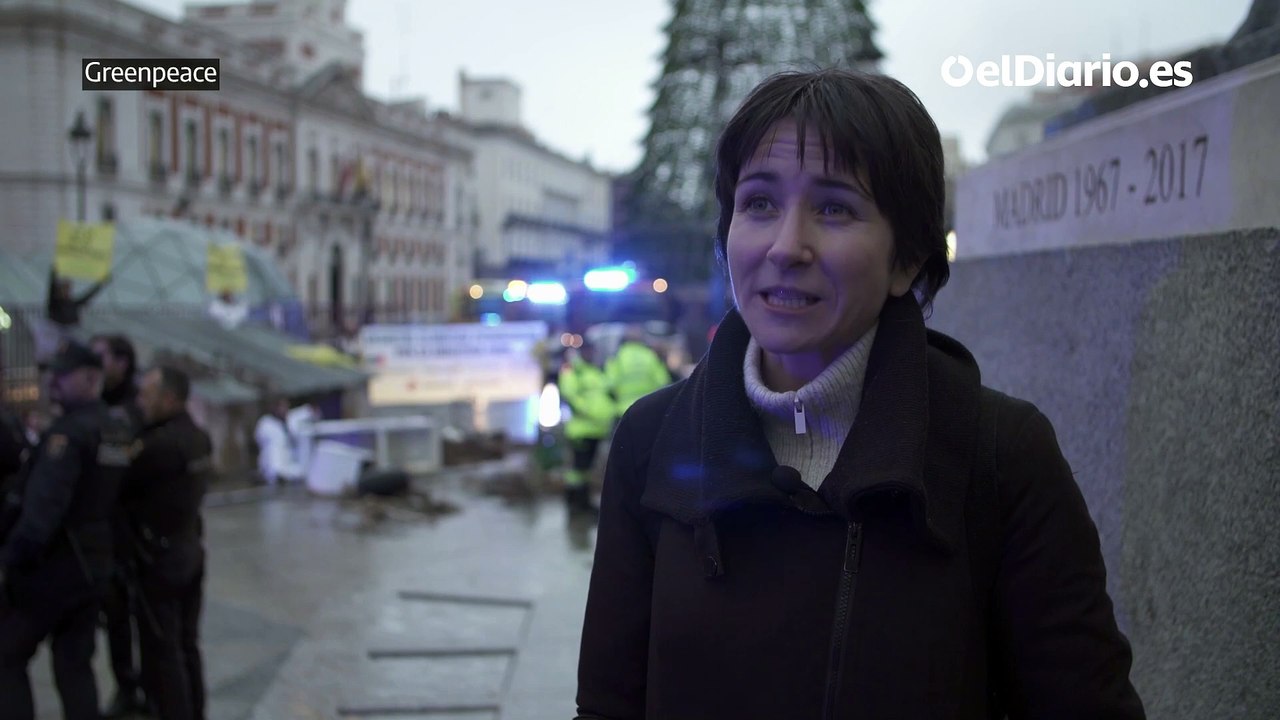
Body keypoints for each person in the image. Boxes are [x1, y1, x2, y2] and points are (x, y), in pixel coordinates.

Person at [575, 69, 1146, 719]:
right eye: (759, 203)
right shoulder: (651, 439)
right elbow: (607, 706)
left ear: (907, 259)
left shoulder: (1001, 455)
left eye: (834, 208)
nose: (788, 246)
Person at [0, 342, 133, 720]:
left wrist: (12, 560)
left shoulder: (68, 436)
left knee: (7, 657)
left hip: (54, 567)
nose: (51, 382)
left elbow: (42, 513)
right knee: (75, 666)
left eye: (62, 376)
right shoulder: (117, 429)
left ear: (91, 379)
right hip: (94, 566)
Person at [124, 365, 212, 720]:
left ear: (170, 399)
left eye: (147, 395)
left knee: (164, 648)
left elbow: (122, 488)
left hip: (162, 557)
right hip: (189, 548)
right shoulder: (198, 437)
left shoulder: (156, 445)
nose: (140, 402)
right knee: (186, 644)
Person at [90, 334, 150, 718]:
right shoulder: (104, 405)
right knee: (116, 617)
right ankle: (128, 684)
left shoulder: (130, 410)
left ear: (122, 363)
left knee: (137, 614)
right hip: (110, 532)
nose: (95, 367)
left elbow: (116, 466)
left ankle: (142, 688)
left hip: (132, 531)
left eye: (101, 359)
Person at [556, 344, 615, 517]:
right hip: (581, 429)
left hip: (596, 429)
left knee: (586, 469)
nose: (592, 354)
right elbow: (570, 395)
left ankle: (580, 502)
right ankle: (577, 502)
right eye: (589, 352)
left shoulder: (596, 371)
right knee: (579, 469)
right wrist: (587, 411)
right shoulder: (575, 372)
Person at [602, 329, 671, 416]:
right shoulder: (649, 355)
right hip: (648, 407)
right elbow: (663, 381)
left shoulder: (618, 356)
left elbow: (610, 383)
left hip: (624, 409)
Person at [253, 397, 303, 485]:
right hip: (271, 470)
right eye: (282, 407)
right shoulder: (266, 424)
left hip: (288, 468)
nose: (284, 410)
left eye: (286, 407)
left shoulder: (289, 421)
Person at [46, 268, 111, 328]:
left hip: (71, 329)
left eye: (68, 289)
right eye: (65, 289)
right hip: (57, 328)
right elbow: (52, 288)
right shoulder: (55, 303)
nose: (68, 292)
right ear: (59, 291)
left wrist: (102, 283)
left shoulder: (74, 304)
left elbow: (89, 295)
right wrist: (54, 271)